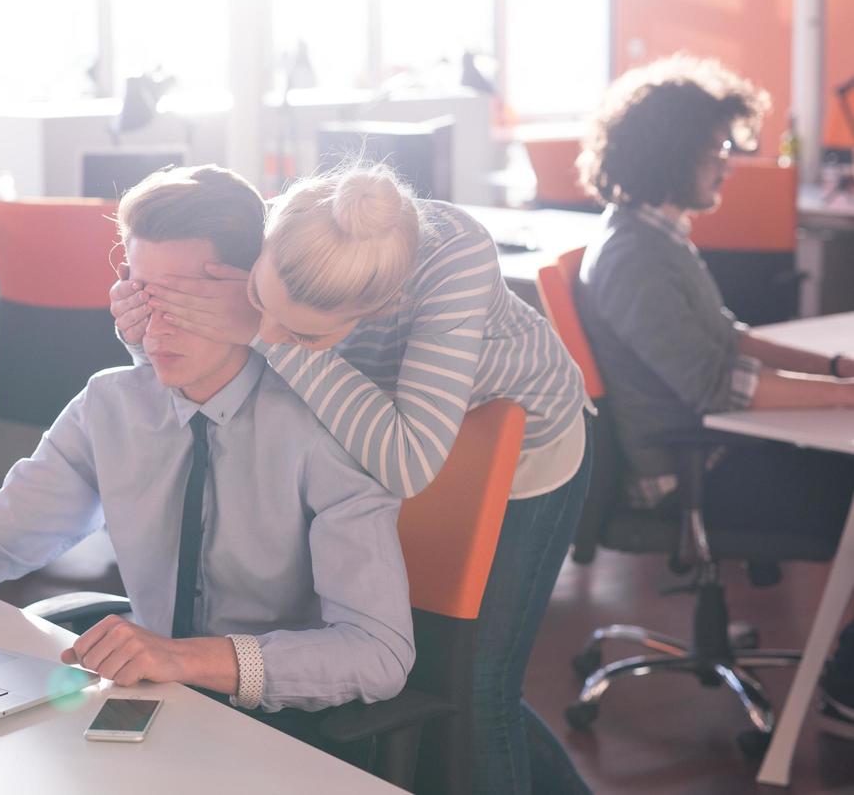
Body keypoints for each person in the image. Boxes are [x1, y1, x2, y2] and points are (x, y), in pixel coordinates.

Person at [111, 162, 592, 793]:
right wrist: (149, 329)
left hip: (519, 451)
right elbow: (230, 370)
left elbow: (410, 460)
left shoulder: (456, 259)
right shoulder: (300, 225)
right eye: (260, 298)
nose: (273, 332)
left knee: (477, 686)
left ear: (380, 308)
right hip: (379, 433)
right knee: (438, 673)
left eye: (305, 334)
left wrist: (262, 331)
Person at [0, 165, 414, 740]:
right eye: (143, 294)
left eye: (184, 299)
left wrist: (185, 657)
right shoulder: (110, 406)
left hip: (276, 731)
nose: (156, 326)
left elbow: (378, 653)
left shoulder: (324, 435)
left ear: (248, 296)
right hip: (147, 714)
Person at [574, 54, 854, 719]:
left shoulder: (656, 235)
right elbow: (714, 385)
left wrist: (839, 370)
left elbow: (731, 335)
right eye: (718, 147)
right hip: (687, 473)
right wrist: (846, 398)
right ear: (676, 152)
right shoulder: (635, 256)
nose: (728, 161)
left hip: (710, 450)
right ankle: (846, 687)